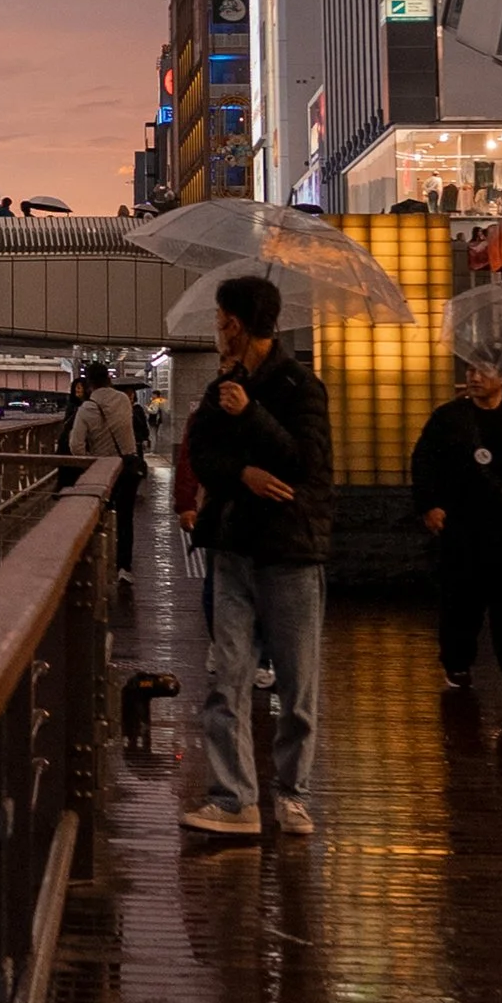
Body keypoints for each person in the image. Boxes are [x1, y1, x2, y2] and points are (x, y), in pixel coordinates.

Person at [181, 272, 333, 840]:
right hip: (233, 546)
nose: (217, 331)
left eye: (221, 322)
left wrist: (250, 414)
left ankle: (292, 796)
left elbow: (305, 463)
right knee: (228, 677)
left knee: (297, 685)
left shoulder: (300, 386)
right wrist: (240, 470)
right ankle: (233, 799)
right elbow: (201, 453)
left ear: (238, 325)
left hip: (291, 550)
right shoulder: (222, 385)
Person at [410, 354, 502, 707]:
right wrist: (428, 505)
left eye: (484, 371)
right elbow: (424, 461)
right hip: (460, 525)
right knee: (460, 602)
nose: (474, 377)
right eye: (470, 370)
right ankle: (457, 662)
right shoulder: (449, 418)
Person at [64, 358, 145, 584]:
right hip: (127, 465)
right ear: (109, 379)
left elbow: (75, 446)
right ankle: (124, 568)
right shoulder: (123, 400)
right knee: (126, 517)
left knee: (97, 515)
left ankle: (95, 564)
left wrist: (91, 458)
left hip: (102, 469)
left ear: (89, 385)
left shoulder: (86, 409)